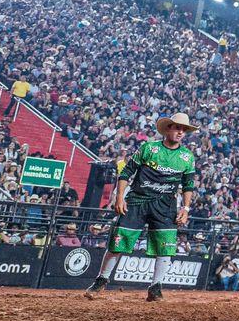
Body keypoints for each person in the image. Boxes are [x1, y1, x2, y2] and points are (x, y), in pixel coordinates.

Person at [85, 112, 199, 302]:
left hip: (165, 206)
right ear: (168, 129)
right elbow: (126, 172)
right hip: (137, 201)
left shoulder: (187, 157)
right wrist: (119, 197)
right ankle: (101, 280)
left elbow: (188, 185)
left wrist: (186, 209)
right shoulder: (148, 148)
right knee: (119, 240)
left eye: (184, 130)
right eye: (177, 128)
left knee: (166, 247)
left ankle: (156, 287)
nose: (181, 132)